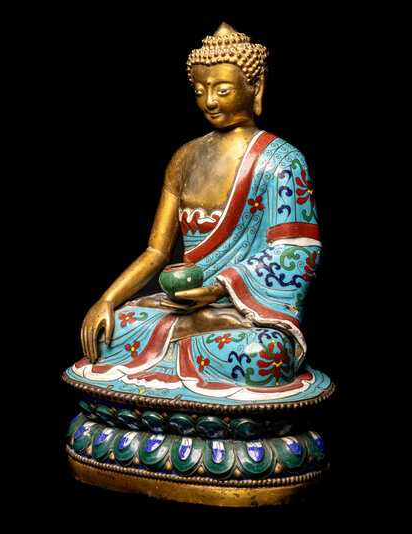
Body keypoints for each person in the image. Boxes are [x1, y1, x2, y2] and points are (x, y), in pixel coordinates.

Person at [65, 23, 330, 404]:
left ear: (256, 88)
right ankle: (184, 351)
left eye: (222, 90)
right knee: (113, 332)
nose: (209, 101)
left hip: (245, 312)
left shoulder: (281, 161)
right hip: (180, 307)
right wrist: (106, 299)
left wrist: (220, 289)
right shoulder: (184, 158)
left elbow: (297, 250)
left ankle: (186, 357)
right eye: (200, 90)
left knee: (262, 356)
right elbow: (157, 251)